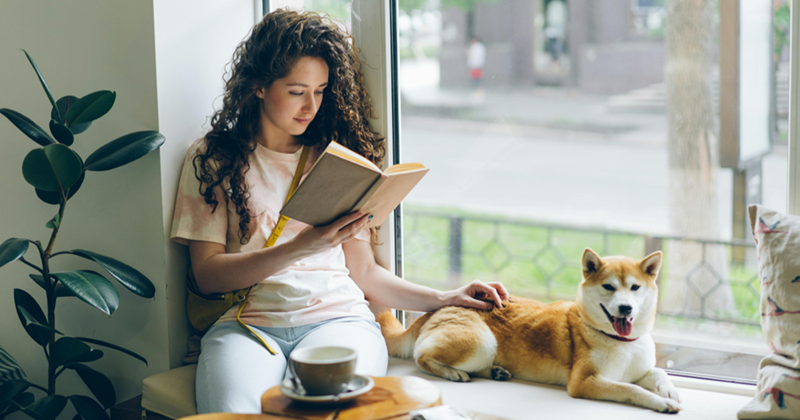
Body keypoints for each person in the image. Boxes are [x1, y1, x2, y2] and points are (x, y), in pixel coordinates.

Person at [169, 9, 509, 414]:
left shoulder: (334, 162)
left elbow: (364, 274)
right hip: (247, 325)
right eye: (296, 91)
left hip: (340, 320)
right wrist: (301, 247)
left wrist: (444, 297)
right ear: (259, 86)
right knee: (234, 411)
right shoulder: (214, 158)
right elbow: (207, 276)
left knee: (337, 412)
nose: (310, 105)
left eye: (321, 90)